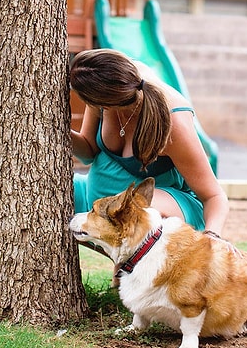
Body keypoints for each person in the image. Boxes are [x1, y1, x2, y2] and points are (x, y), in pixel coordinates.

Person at [70, 48, 229, 238]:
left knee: (138, 211)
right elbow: (88, 151)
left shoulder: (172, 123)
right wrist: (55, 129)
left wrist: (212, 236)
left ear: (105, 103)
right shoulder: (107, 85)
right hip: (99, 208)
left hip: (155, 212)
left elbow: (214, 196)